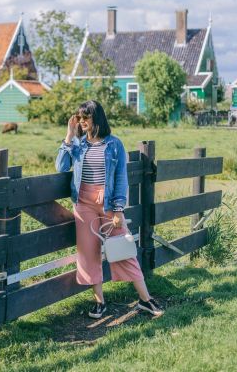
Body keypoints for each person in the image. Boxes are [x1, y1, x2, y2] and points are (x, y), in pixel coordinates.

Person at [55, 100, 164, 319]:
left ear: (97, 118)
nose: (82, 122)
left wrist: (118, 209)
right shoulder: (78, 144)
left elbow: (121, 179)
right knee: (88, 254)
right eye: (80, 118)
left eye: (86, 117)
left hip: (108, 205)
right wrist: (69, 136)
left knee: (124, 249)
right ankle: (99, 303)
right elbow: (60, 166)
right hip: (83, 204)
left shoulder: (114, 144)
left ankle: (145, 299)